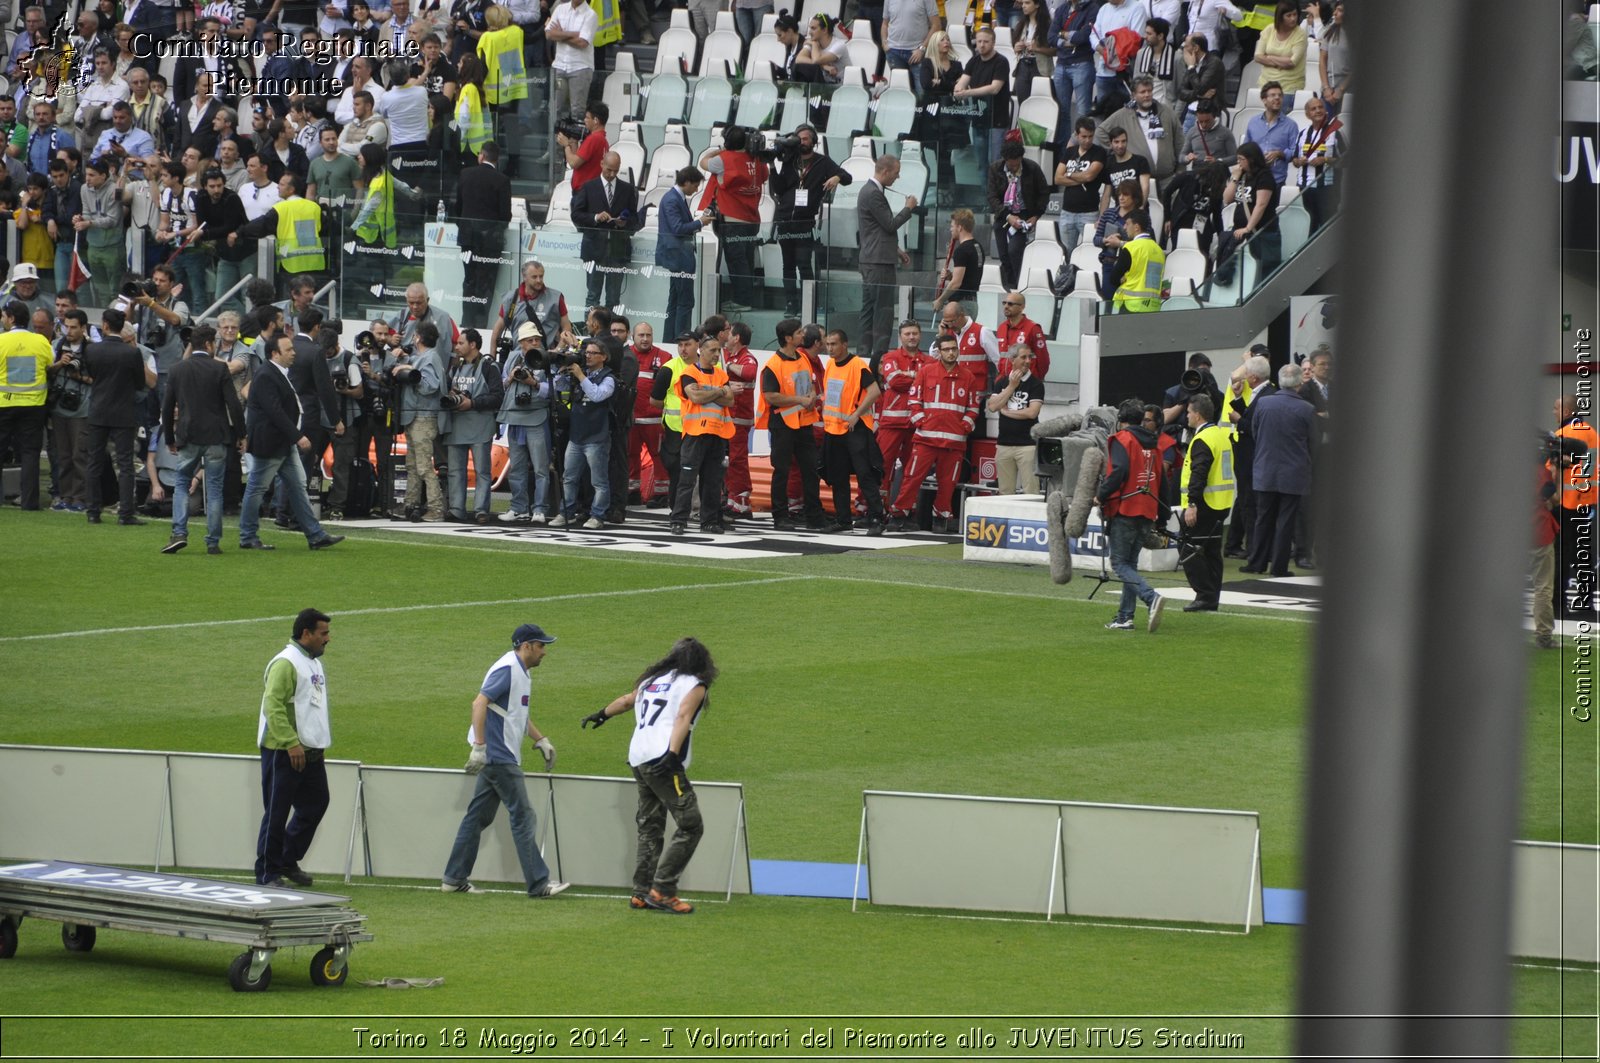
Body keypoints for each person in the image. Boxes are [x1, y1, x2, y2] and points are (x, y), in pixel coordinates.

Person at [580, 637, 719, 915]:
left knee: (650, 826)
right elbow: (682, 718)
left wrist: (601, 715)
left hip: (638, 758)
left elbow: (625, 701)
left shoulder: (651, 681)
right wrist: (672, 753)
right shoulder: (695, 684)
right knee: (691, 825)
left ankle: (641, 892)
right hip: (662, 759)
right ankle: (663, 891)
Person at [442, 623, 570, 898]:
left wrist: (540, 739)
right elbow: (479, 704)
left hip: (499, 755)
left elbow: (515, 714)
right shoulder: (508, 669)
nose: (545, 652)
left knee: (477, 818)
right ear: (526, 646)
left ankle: (453, 878)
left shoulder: (520, 672)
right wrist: (479, 746)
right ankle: (539, 884)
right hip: (500, 756)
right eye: (541, 645)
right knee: (523, 816)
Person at [238, 333, 346, 550]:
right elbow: (275, 412)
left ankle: (315, 535)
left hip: (282, 443)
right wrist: (298, 437)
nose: (293, 352)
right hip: (272, 443)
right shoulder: (267, 374)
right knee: (257, 488)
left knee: (297, 487)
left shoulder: (275, 372)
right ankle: (248, 535)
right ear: (275, 353)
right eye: (288, 350)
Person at [255, 608, 335, 888]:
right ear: (306, 633)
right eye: (323, 633)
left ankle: (287, 859)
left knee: (316, 804)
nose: (328, 639)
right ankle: (267, 873)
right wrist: (291, 743)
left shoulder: (312, 661)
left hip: (311, 751)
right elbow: (272, 706)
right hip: (283, 751)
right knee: (276, 812)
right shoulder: (286, 663)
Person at [161, 325, 245, 554]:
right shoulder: (219, 369)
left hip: (188, 435)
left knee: (181, 483)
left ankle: (179, 532)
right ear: (209, 344)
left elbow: (167, 407)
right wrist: (241, 434)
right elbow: (234, 404)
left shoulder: (177, 369)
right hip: (216, 436)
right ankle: (213, 541)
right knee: (215, 488)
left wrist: (169, 437)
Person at [889, 332, 978, 533]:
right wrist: (920, 421)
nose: (951, 353)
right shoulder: (926, 372)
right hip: (926, 438)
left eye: (954, 349)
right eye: (946, 349)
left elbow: (974, 407)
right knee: (912, 478)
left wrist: (964, 426)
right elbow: (913, 400)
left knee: (948, 483)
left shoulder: (968, 377)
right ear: (939, 352)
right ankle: (899, 515)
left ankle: (941, 517)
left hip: (954, 442)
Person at [82, 309, 156, 525]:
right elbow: (139, 381)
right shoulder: (131, 353)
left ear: (105, 325)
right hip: (124, 412)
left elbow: (91, 375)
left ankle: (93, 512)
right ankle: (126, 513)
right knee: (125, 464)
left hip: (98, 411)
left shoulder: (93, 351)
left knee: (94, 462)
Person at [1097, 398, 1166, 632]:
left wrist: (1101, 495)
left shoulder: (1122, 439)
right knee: (1130, 564)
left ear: (1121, 421)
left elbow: (1119, 471)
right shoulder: (1154, 444)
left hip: (1126, 507)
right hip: (1148, 509)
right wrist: (1163, 516)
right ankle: (1125, 616)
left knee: (1119, 563)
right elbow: (1162, 479)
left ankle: (1150, 597)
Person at [1241, 362, 1315, 578]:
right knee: (1285, 521)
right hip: (1294, 472)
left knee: (1263, 517)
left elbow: (1255, 431)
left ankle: (1256, 562)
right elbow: (1313, 442)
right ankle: (1279, 567)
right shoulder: (1307, 409)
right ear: (1300, 383)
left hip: (1265, 469)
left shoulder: (1263, 404)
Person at [768, 124, 849, 320]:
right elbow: (779, 189)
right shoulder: (790, 161)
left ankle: (809, 302)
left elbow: (847, 177)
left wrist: (836, 177)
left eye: (805, 139)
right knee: (787, 265)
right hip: (785, 219)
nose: (801, 142)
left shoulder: (822, 162)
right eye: (799, 138)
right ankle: (791, 303)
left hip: (805, 222)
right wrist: (772, 166)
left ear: (813, 141)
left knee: (804, 263)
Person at [668, 336, 739, 535]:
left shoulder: (721, 373)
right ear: (701, 350)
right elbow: (696, 397)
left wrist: (714, 393)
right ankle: (678, 520)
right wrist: (719, 391)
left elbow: (730, 401)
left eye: (719, 350)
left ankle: (709, 521)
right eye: (713, 350)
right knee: (687, 479)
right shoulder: (689, 373)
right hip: (695, 434)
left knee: (712, 481)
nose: (717, 354)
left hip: (717, 433)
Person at [761, 318, 826, 531]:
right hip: (782, 424)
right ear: (788, 338)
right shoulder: (773, 365)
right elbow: (771, 396)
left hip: (804, 422)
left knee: (810, 470)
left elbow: (812, 385)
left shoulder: (802, 359)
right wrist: (801, 400)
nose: (803, 336)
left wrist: (812, 397)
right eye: (799, 333)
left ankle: (814, 516)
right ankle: (780, 516)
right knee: (782, 471)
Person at [819, 328, 886, 534]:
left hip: (854, 429)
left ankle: (877, 517)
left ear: (845, 344)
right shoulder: (830, 364)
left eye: (834, 344)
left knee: (864, 474)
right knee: (838, 476)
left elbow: (874, 391)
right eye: (828, 344)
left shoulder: (857, 365)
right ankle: (843, 519)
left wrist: (857, 414)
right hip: (834, 428)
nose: (830, 348)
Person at [698, 126, 768, 312]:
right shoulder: (758, 159)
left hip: (732, 219)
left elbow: (703, 162)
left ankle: (742, 301)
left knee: (737, 262)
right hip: (752, 219)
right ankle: (746, 299)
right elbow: (764, 176)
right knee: (747, 260)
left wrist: (722, 150)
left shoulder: (724, 159)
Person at [857, 154, 918, 362]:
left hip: (874, 258)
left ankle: (865, 353)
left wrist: (897, 250)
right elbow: (890, 224)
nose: (897, 177)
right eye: (896, 173)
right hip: (878, 262)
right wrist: (909, 208)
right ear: (885, 171)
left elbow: (878, 230)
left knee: (869, 308)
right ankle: (878, 357)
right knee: (882, 310)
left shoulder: (869, 191)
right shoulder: (873, 193)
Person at [442, 328, 505, 523]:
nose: (457, 346)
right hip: (457, 425)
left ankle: (481, 510)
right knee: (455, 471)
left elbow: (497, 396)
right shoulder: (454, 367)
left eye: (461, 343)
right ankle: (456, 509)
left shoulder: (489, 366)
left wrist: (473, 403)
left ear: (473, 345)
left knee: (482, 471)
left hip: (480, 424)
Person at [1177, 394, 1233, 612]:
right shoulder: (1220, 435)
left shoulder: (1203, 439)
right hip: (1222, 502)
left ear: (1198, 414)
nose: (1187, 416)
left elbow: (1199, 473)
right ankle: (1212, 597)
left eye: (1189, 412)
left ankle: (1204, 594)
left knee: (1186, 545)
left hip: (1204, 504)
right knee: (1211, 551)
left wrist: (1192, 504)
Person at [553, 338, 615, 528]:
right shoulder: (580, 373)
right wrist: (562, 373)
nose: (587, 356)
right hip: (576, 435)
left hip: (597, 436)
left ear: (603, 356)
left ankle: (598, 515)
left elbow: (597, 395)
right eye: (586, 352)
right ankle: (567, 512)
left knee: (599, 481)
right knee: (569, 477)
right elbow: (558, 388)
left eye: (592, 353)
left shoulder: (609, 377)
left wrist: (581, 376)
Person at [497, 322, 554, 524]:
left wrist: (534, 383)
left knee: (540, 467)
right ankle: (518, 507)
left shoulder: (546, 358)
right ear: (520, 342)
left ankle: (539, 508)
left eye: (537, 339)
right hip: (515, 416)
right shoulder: (513, 357)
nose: (535, 342)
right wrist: (511, 378)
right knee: (517, 467)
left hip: (537, 416)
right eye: (530, 340)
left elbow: (553, 389)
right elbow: (502, 384)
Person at [391, 322, 447, 522]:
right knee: (412, 465)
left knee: (423, 466)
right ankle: (410, 504)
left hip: (424, 417)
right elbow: (412, 361)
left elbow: (430, 386)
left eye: (414, 336)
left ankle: (436, 508)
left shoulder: (430, 357)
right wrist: (405, 362)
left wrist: (412, 370)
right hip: (415, 417)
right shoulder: (422, 357)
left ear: (418, 338)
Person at [572, 151, 642, 311]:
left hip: (618, 248)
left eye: (615, 171)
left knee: (613, 297)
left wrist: (624, 223)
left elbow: (635, 219)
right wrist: (596, 217)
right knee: (593, 295)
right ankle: (590, 332)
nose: (612, 174)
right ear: (601, 164)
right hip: (594, 248)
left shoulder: (628, 189)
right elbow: (576, 215)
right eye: (609, 169)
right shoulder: (588, 187)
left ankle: (613, 333)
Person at [0, 298, 53, 510]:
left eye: (4, 316)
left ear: (11, 318)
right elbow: (51, 364)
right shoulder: (40, 341)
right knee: (31, 454)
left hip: (4, 404)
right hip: (34, 406)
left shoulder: (2, 341)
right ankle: (30, 502)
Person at [454, 142, 513, 328]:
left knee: (469, 280)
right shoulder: (502, 180)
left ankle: (466, 322)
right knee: (485, 285)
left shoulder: (466, 174)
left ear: (481, 156)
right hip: (490, 242)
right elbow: (505, 216)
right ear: (497, 159)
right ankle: (480, 325)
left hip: (468, 238)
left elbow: (457, 207)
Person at [1553, 393, 1598, 620]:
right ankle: (1586, 603)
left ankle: (1559, 605)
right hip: (1586, 504)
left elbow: (1551, 471)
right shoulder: (1592, 434)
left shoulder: (1561, 436)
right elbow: (1591, 470)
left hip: (1563, 505)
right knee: (1584, 556)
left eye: (1556, 408)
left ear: (1566, 411)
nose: (1553, 412)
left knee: (1560, 556)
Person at [986, 140, 1050, 292]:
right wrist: (1008, 216)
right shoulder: (995, 169)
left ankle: (1018, 285)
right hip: (1004, 216)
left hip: (1024, 216)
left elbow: (1044, 193)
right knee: (1003, 255)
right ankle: (1009, 285)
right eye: (1011, 165)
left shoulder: (1032, 168)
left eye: (1017, 164)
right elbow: (992, 196)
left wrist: (1036, 216)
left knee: (1014, 250)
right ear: (1005, 160)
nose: (1015, 167)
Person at [874, 320, 927, 504]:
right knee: (883, 467)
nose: (911, 337)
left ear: (920, 335)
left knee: (912, 470)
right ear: (900, 336)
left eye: (914, 333)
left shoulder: (929, 361)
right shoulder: (891, 357)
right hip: (891, 424)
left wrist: (910, 378)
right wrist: (920, 380)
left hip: (917, 425)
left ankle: (905, 509)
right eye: (907, 334)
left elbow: (931, 386)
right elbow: (895, 382)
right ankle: (878, 508)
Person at [657, 167, 709, 343]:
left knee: (675, 300)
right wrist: (699, 222)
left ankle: (671, 339)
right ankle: (682, 340)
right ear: (686, 182)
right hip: (678, 256)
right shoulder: (672, 199)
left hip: (678, 255)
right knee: (684, 301)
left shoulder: (675, 197)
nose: (696, 189)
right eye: (695, 185)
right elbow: (677, 228)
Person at [953, 26, 1010, 172]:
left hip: (996, 121)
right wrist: (959, 89)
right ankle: (986, 194)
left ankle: (996, 194)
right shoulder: (974, 61)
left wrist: (968, 93)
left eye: (986, 41)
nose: (982, 45)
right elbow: (962, 82)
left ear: (993, 42)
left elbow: (994, 88)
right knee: (982, 165)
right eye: (979, 41)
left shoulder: (1001, 62)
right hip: (979, 119)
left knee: (995, 163)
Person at [987, 346, 1044, 495]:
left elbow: (1032, 412)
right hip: (1004, 444)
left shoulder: (1036, 384)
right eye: (1023, 357)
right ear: (1012, 360)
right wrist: (1012, 387)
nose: (1028, 361)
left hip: (1028, 446)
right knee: (1005, 492)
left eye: (1029, 358)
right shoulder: (1002, 382)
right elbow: (992, 406)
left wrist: (1006, 411)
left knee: (1031, 491)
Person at [1290, 95, 1345, 233]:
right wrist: (1299, 161)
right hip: (1305, 187)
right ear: (1308, 114)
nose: (1318, 111)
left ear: (1325, 111)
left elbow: (1347, 160)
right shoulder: (1302, 134)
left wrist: (1325, 160)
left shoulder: (1335, 133)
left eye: (1320, 107)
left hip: (1327, 188)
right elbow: (1294, 161)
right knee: (1310, 223)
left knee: (1327, 226)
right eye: (1313, 109)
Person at [1054, 118, 1107, 256]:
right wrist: (1081, 178)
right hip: (1067, 211)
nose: (1087, 140)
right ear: (1077, 135)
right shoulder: (1070, 151)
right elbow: (1057, 178)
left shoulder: (1099, 152)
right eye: (1084, 136)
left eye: (1090, 136)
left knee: (1091, 252)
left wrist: (1070, 173)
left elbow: (1089, 176)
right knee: (1066, 253)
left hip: (1088, 213)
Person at [1049, 0, 1099, 140]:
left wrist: (1062, 34)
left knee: (1083, 113)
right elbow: (1051, 37)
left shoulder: (1093, 8)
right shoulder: (1062, 9)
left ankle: (1083, 153)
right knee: (1062, 112)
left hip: (1082, 63)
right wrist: (1068, 41)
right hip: (1061, 65)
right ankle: (1066, 153)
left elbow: (1083, 36)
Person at [1243, 80, 1298, 186]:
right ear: (1264, 100)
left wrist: (1279, 153)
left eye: (1280, 95)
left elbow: (1295, 152)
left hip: (1276, 180)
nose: (1277, 98)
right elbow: (1245, 149)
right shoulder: (1253, 122)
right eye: (1273, 95)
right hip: (1254, 178)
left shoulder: (1291, 125)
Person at [1111, 208, 1165, 312]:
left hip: (1131, 305)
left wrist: (1122, 278)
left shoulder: (1131, 248)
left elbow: (1114, 278)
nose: (1124, 227)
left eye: (1127, 224)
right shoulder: (1159, 251)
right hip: (1153, 306)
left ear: (1136, 227)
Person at [931, 209, 983, 312]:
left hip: (961, 304)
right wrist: (950, 276)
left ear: (959, 227)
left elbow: (956, 283)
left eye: (952, 226)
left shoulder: (962, 250)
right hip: (972, 302)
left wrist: (940, 300)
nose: (951, 229)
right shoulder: (978, 247)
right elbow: (969, 275)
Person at [1254, 0, 1307, 93]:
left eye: (1295, 14)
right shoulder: (1269, 29)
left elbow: (1291, 62)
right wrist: (1281, 62)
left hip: (1290, 85)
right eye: (1289, 15)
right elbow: (1258, 57)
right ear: (1280, 17)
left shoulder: (1300, 34)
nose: (1293, 18)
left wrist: (1269, 57)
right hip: (1265, 84)